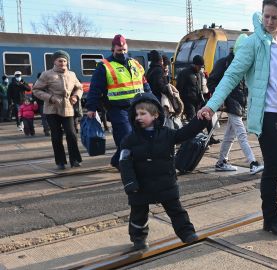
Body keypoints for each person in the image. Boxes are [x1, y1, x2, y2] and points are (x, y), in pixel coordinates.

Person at [198, 0, 277, 237]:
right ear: (262, 16)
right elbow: (231, 76)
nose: (270, 22)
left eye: (275, 17)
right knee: (274, 167)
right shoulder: (253, 44)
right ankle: (270, 218)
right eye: (266, 17)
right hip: (267, 116)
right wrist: (211, 105)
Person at [119, 92, 207, 250]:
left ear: (155, 115)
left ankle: (187, 233)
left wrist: (200, 121)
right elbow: (124, 162)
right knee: (138, 214)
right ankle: (139, 239)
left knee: (176, 210)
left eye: (142, 113)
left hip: (165, 183)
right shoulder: (129, 139)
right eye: (136, 114)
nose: (138, 117)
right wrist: (130, 183)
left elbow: (185, 133)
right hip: (140, 185)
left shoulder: (167, 134)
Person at [85, 34, 151, 170]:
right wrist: (91, 108)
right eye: (119, 51)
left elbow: (144, 84)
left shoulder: (135, 64)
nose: (123, 53)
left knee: (138, 136)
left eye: (124, 50)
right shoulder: (104, 66)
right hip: (117, 109)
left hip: (137, 107)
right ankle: (124, 164)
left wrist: (152, 100)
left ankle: (117, 160)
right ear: (112, 50)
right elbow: (95, 89)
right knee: (125, 136)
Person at [208, 36, 264, 174]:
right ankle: (252, 163)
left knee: (230, 135)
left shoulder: (242, 62)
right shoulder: (224, 63)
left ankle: (221, 161)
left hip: (238, 103)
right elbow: (212, 82)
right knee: (241, 134)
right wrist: (221, 99)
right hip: (231, 103)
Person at [33, 50, 83, 170]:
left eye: (64, 60)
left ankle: (75, 159)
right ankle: (60, 161)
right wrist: (50, 98)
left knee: (71, 134)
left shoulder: (72, 74)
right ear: (54, 61)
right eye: (60, 60)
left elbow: (79, 88)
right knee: (56, 136)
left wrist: (76, 96)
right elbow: (36, 90)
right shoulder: (46, 74)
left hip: (68, 108)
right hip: (52, 109)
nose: (62, 63)